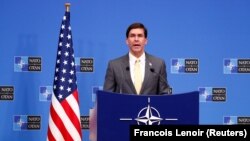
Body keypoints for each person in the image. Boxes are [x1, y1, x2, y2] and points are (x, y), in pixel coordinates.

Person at [103, 22, 171, 95]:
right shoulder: (114, 65)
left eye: (140, 36)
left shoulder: (158, 64)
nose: (136, 39)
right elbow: (107, 96)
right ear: (127, 41)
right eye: (132, 36)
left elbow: (164, 94)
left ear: (145, 41)